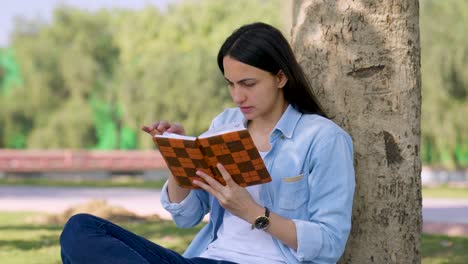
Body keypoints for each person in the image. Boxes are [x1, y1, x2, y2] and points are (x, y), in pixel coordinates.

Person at [60, 22, 355, 264]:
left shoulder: (323, 139)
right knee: (81, 229)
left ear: (280, 77)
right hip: (207, 259)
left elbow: (329, 244)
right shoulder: (226, 125)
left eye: (248, 84)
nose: (237, 96)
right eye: (231, 84)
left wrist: (252, 212)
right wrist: (178, 160)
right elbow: (186, 217)